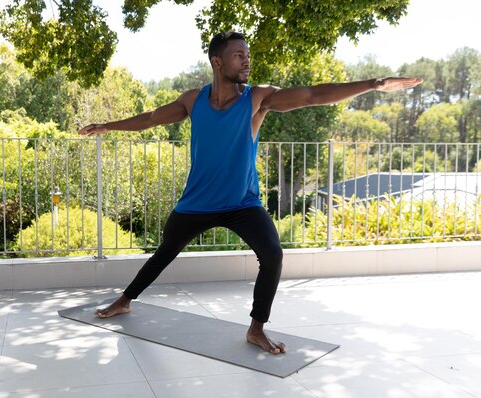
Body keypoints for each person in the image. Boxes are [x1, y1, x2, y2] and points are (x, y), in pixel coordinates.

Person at [79, 31, 422, 354]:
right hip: (197, 202)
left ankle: (256, 328)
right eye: (238, 55)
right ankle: (125, 300)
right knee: (165, 251)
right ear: (217, 62)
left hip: (242, 202)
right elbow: (152, 118)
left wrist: (374, 84)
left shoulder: (258, 98)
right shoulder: (192, 100)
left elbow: (313, 95)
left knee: (272, 254)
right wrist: (108, 126)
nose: (246, 61)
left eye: (248, 55)